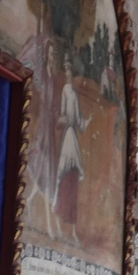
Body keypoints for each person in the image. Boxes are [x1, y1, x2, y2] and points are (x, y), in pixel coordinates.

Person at [54, 58, 91, 241]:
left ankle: (71, 226)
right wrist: (65, 119)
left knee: (73, 176)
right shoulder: (66, 90)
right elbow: (64, 114)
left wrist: (85, 122)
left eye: (71, 72)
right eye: (67, 71)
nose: (69, 75)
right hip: (68, 134)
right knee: (64, 174)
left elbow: (77, 120)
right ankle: (58, 217)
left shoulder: (73, 94)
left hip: (72, 135)